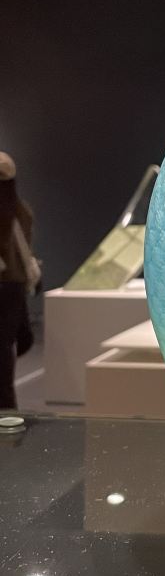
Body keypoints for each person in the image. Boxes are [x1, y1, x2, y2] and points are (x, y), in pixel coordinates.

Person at [0, 152, 34, 409]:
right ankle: (7, 409)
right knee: (5, 350)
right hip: (15, 287)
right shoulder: (22, 210)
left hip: (5, 285)